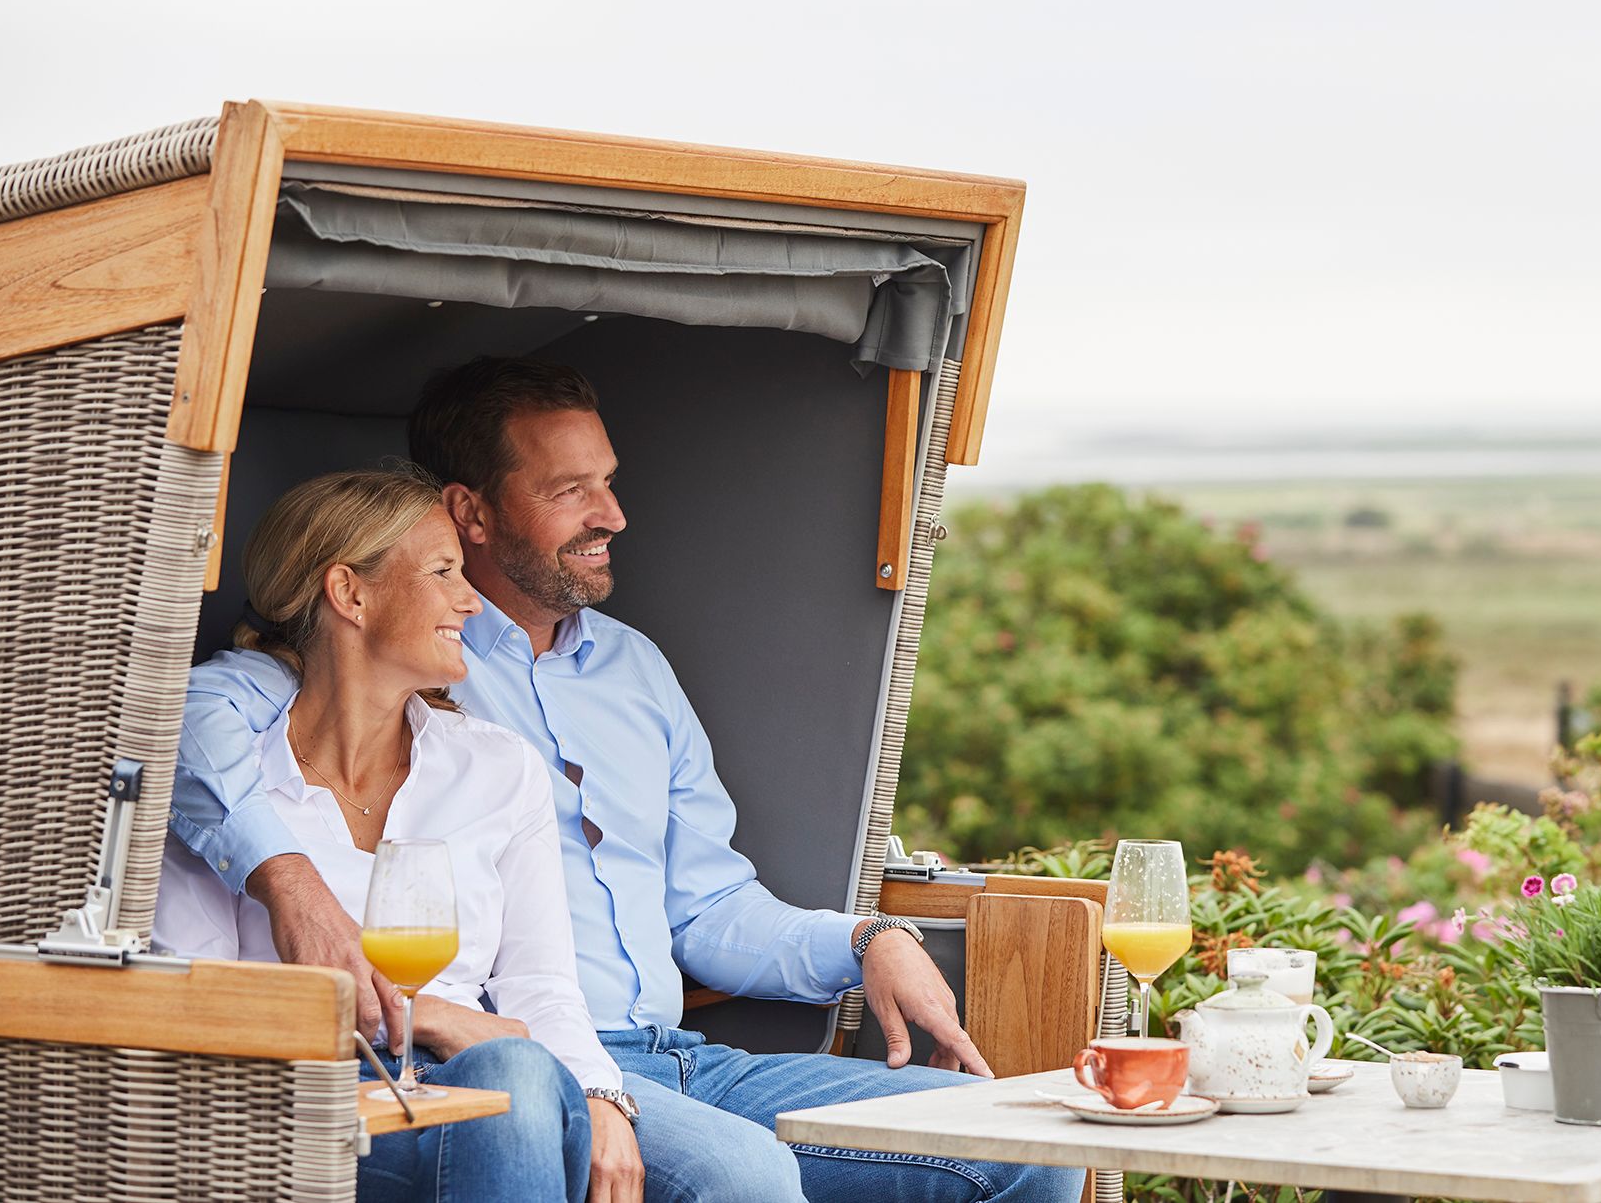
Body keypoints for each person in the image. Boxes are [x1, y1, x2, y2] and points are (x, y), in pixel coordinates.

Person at [172, 358, 1084, 1203]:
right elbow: (184, 723)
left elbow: (707, 905)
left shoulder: (634, 671)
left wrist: (866, 937)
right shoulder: (394, 665)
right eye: (571, 490)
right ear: (472, 513)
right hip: (531, 1060)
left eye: (608, 482)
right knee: (739, 1177)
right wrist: (290, 881)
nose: (610, 514)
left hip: (688, 1056)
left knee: (1025, 1150)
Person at [156, 470, 631, 1203]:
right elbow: (197, 1002)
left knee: (527, 1084)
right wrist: (431, 1016)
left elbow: (542, 985)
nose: (472, 599)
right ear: (349, 593)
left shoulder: (500, 768)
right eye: (444, 572)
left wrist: (600, 1094)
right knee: (512, 1078)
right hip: (312, 1098)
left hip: (499, 1082)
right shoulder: (221, 791)